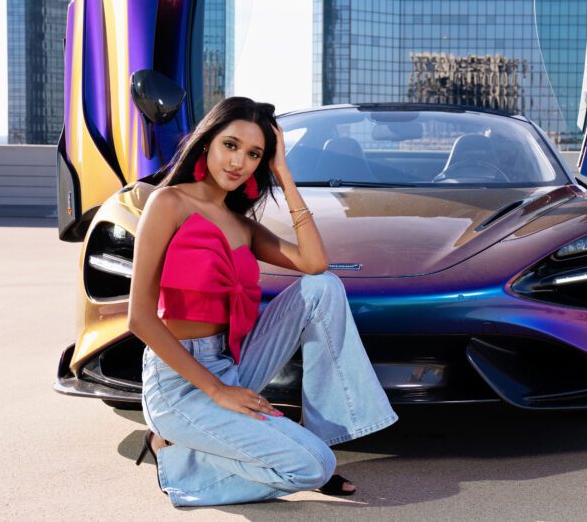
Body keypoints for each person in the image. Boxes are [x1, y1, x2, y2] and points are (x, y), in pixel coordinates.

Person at [127, 96, 398, 507]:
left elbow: (314, 263)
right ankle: (180, 462)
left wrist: (284, 174)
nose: (238, 162)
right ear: (207, 143)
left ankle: (307, 437)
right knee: (316, 467)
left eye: (254, 154)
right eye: (230, 145)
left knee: (322, 287)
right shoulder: (168, 203)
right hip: (177, 382)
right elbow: (140, 319)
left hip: (231, 363)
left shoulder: (243, 226)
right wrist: (218, 392)